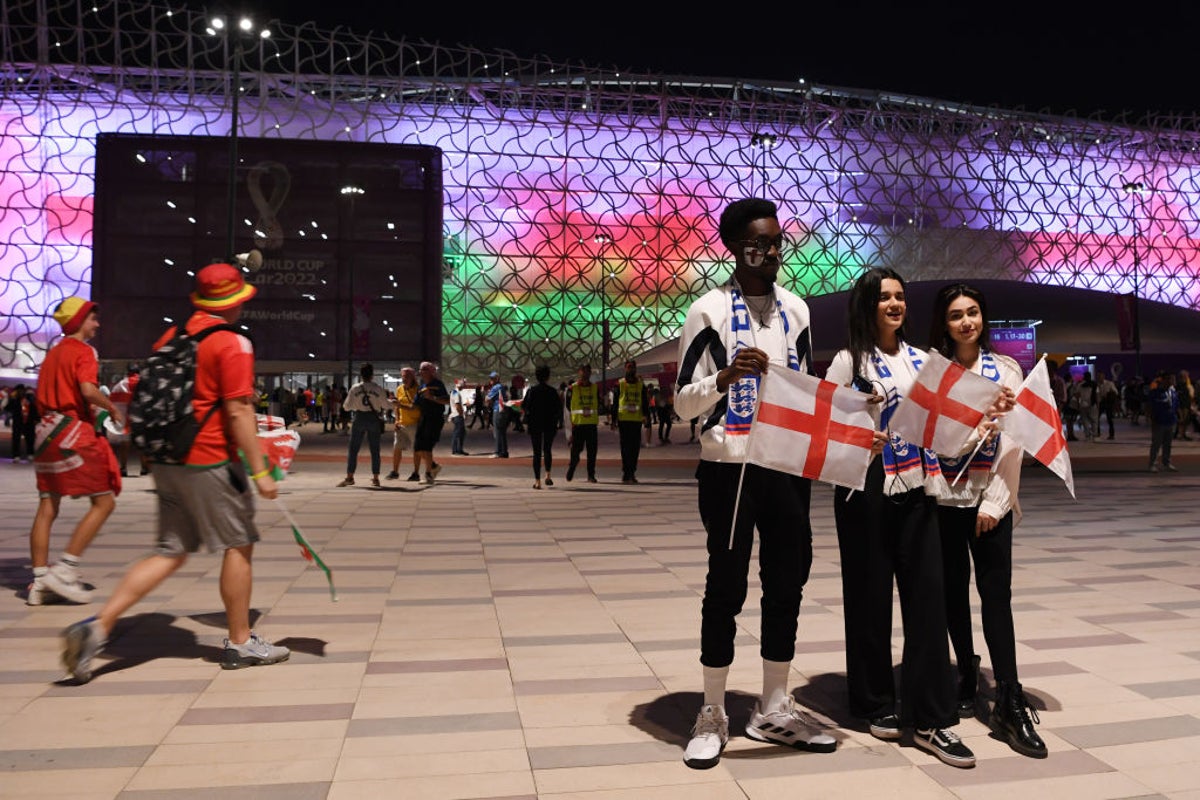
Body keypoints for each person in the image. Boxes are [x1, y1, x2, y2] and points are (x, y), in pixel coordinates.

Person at [58, 264, 287, 682]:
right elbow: (238, 410)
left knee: (170, 551)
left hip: (166, 459)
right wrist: (261, 471)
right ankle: (239, 643)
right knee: (240, 543)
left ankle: (98, 627)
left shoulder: (172, 337)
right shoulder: (233, 343)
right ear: (235, 301)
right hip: (209, 459)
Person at [674, 198, 836, 769]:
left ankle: (773, 704)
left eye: (775, 244)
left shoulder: (797, 309)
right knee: (725, 586)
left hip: (784, 464)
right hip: (729, 467)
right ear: (733, 249)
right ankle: (713, 710)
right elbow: (681, 404)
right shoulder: (707, 311)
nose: (769, 255)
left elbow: (806, 384)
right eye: (757, 246)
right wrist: (723, 376)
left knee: (786, 583)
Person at [825, 266, 976, 768]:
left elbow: (948, 422)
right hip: (866, 490)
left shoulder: (923, 361)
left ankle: (933, 716)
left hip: (918, 488)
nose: (894, 304)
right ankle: (872, 700)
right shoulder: (849, 361)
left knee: (928, 601)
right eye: (884, 297)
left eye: (900, 297)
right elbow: (826, 424)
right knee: (869, 599)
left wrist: (986, 412)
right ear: (867, 305)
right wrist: (856, 435)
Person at [926, 283, 1046, 758]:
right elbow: (928, 435)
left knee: (997, 595)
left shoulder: (1006, 370)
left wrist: (997, 500)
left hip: (991, 501)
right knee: (953, 592)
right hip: (945, 500)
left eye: (973, 312)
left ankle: (1010, 698)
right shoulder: (935, 373)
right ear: (945, 322)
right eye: (956, 315)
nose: (966, 322)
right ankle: (965, 672)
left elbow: (1016, 439)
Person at [26, 297, 123, 606]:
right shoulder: (84, 352)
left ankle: (39, 581)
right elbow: (86, 390)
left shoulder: (53, 353)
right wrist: (112, 408)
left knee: (47, 507)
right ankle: (65, 569)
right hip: (72, 431)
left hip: (44, 433)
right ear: (80, 321)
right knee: (104, 502)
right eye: (93, 318)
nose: (97, 323)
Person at [337, 363, 388, 487]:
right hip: (373, 418)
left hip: (359, 417)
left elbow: (346, 406)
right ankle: (375, 478)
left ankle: (350, 476)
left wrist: (356, 406)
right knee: (375, 450)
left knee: (353, 449)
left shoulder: (355, 388)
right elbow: (385, 405)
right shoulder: (377, 388)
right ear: (372, 374)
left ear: (361, 374)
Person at [522, 364, 562, 489]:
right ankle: (548, 476)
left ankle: (537, 481)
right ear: (548, 376)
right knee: (547, 450)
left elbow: (524, 406)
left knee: (537, 452)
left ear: (536, 376)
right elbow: (558, 408)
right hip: (549, 424)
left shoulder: (531, 391)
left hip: (535, 424)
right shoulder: (552, 391)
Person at [611, 359, 650, 484]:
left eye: (632, 367)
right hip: (624, 420)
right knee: (625, 448)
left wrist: (646, 417)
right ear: (625, 369)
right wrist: (613, 420)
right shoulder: (620, 384)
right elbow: (615, 403)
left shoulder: (640, 385)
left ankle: (631, 472)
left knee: (635, 448)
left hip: (636, 420)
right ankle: (626, 472)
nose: (631, 369)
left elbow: (645, 403)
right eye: (629, 367)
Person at [413, 361, 449, 484]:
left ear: (431, 371)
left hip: (435, 418)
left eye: (424, 369)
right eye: (421, 369)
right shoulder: (421, 385)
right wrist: (399, 405)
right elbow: (415, 404)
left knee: (427, 446)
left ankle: (428, 474)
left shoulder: (438, 385)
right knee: (418, 447)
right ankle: (433, 466)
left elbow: (447, 400)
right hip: (423, 418)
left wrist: (432, 398)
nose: (421, 372)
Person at [564, 364, 600, 482]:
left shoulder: (595, 388)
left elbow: (598, 404)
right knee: (575, 450)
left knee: (592, 452)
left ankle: (591, 475)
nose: (586, 373)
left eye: (588, 371)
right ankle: (572, 468)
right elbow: (568, 407)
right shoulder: (572, 388)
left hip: (591, 425)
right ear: (579, 372)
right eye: (583, 371)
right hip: (578, 425)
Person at [386, 367, 420, 480]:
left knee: (416, 449)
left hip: (414, 423)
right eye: (403, 376)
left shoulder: (418, 390)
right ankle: (395, 471)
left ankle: (416, 472)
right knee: (397, 447)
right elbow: (397, 407)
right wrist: (397, 419)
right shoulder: (399, 389)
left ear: (412, 377)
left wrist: (399, 405)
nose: (404, 378)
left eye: (407, 376)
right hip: (402, 424)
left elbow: (414, 407)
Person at [1148, 370, 1179, 472]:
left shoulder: (1173, 392)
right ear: (1164, 380)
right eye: (1170, 379)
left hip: (1171, 421)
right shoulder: (1155, 392)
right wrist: (1152, 419)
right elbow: (1151, 407)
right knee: (1156, 444)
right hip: (1159, 421)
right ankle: (1152, 464)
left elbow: (1175, 406)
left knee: (1168, 444)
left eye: (1173, 379)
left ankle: (1166, 462)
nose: (1173, 381)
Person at [6, 384, 37, 463]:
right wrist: (12, 399)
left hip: (29, 423)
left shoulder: (30, 398)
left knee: (30, 439)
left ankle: (30, 454)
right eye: (18, 391)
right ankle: (16, 456)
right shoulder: (14, 400)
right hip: (18, 422)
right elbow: (8, 408)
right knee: (16, 439)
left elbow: (34, 408)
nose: (20, 392)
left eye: (21, 390)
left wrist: (37, 419)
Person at [485, 371, 510, 458]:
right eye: (490, 378)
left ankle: (497, 452)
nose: (491, 380)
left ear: (497, 379)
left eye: (493, 378)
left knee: (498, 432)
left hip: (498, 410)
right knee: (502, 432)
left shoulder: (496, 387)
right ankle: (504, 451)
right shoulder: (501, 386)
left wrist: (486, 397)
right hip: (503, 411)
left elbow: (487, 399)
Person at [1097, 371, 1119, 440]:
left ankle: (1111, 435)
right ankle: (1097, 433)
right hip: (1101, 402)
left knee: (1109, 419)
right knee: (1097, 418)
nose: (1099, 378)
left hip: (1108, 403)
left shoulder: (1109, 383)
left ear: (1103, 377)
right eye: (1098, 377)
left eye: (1101, 376)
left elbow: (1116, 392)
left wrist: (1109, 394)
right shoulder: (1097, 385)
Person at [449, 378, 468, 455]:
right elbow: (457, 405)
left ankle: (458, 449)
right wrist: (461, 414)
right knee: (458, 433)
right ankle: (456, 450)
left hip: (455, 415)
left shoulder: (454, 392)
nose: (464, 386)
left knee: (460, 432)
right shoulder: (456, 393)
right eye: (463, 385)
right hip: (457, 415)